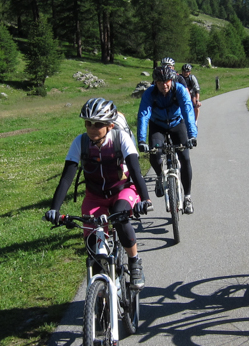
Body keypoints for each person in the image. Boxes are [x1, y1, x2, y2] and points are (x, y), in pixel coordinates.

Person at [44, 98, 152, 288]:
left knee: (120, 217)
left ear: (110, 125)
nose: (92, 128)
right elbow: (66, 178)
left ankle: (134, 261)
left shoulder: (120, 138)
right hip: (95, 197)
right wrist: (54, 209)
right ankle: (100, 294)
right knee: (94, 247)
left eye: (98, 124)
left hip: (122, 190)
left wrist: (145, 200)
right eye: (88, 123)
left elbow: (136, 171)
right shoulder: (80, 142)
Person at [137, 64, 198, 214]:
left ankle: (188, 197)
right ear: (155, 82)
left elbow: (188, 111)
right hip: (157, 125)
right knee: (154, 153)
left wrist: (192, 135)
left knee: (185, 158)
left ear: (172, 80)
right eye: (160, 82)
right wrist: (141, 140)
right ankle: (159, 175)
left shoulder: (180, 90)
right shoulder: (150, 93)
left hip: (177, 123)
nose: (164, 85)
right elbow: (143, 115)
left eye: (166, 81)